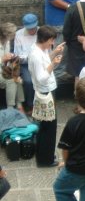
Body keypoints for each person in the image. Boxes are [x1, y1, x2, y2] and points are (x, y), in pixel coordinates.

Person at [28, 25, 65, 167]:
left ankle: (45, 155)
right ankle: (46, 159)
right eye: (52, 41)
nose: (52, 43)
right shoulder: (36, 55)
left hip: (47, 91)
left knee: (45, 125)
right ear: (46, 39)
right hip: (45, 92)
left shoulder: (39, 50)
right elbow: (41, 77)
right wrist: (54, 65)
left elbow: (44, 61)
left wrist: (54, 53)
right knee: (49, 127)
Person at [14, 13, 39, 114]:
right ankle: (30, 105)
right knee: (28, 81)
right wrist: (28, 57)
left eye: (33, 28)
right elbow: (17, 54)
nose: (32, 31)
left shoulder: (41, 31)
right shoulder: (19, 34)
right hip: (25, 63)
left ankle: (42, 104)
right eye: (29, 29)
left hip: (39, 61)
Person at [0, 23, 24, 111]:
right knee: (12, 80)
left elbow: (6, 60)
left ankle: (19, 105)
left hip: (4, 69)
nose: (15, 35)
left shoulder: (7, 42)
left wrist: (11, 57)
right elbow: (2, 59)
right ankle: (11, 107)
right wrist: (2, 59)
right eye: (14, 33)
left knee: (17, 78)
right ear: (7, 35)